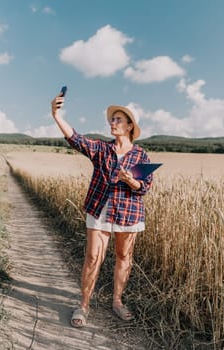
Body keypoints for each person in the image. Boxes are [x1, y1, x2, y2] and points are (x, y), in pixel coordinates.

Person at [50, 91, 153, 328]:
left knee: (124, 256)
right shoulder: (102, 149)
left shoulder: (141, 155)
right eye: (112, 119)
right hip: (99, 209)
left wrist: (131, 181)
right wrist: (56, 115)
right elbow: (75, 138)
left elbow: (143, 187)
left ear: (129, 126)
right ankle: (84, 305)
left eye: (118, 120)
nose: (112, 123)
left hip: (128, 212)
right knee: (93, 256)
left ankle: (117, 302)